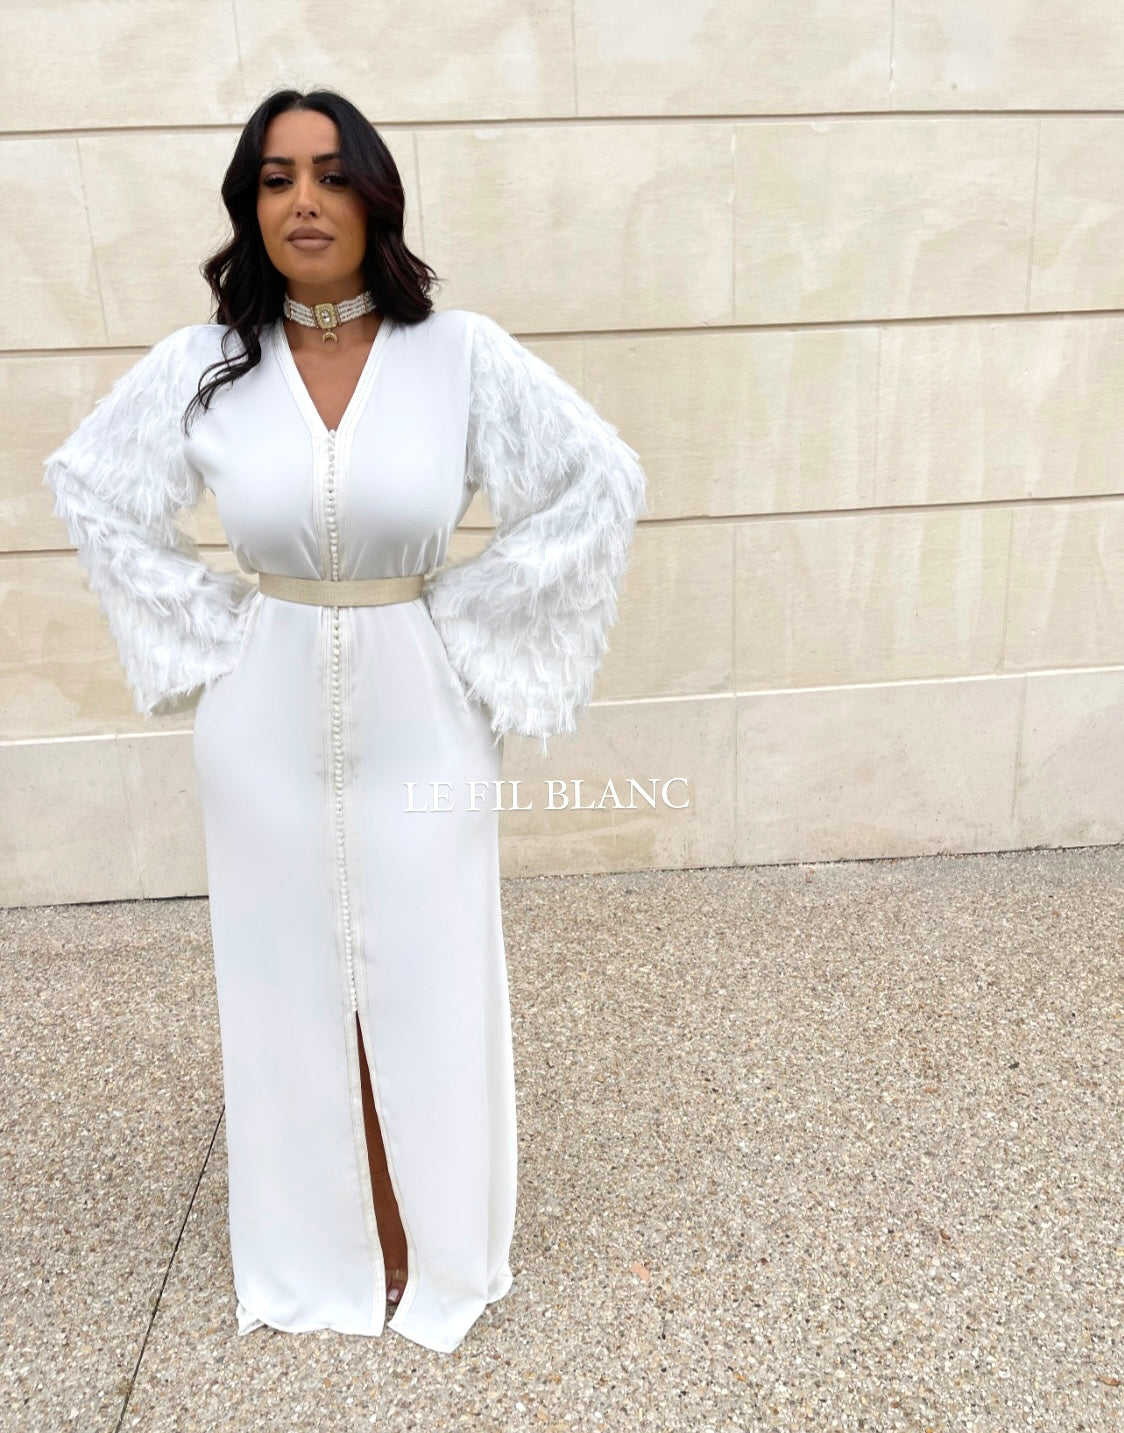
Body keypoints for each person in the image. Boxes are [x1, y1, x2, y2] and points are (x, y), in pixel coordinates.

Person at [41, 87, 647, 1356]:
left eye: (328, 174)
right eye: (275, 179)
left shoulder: (458, 354)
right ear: (248, 206)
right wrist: (207, 633)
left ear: (375, 196)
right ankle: (321, 1243)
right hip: (257, 727)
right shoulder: (206, 365)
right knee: (283, 978)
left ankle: (431, 1233)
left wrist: (468, 630)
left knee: (427, 966)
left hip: (419, 716)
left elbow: (597, 478)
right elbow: (90, 484)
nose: (303, 201)